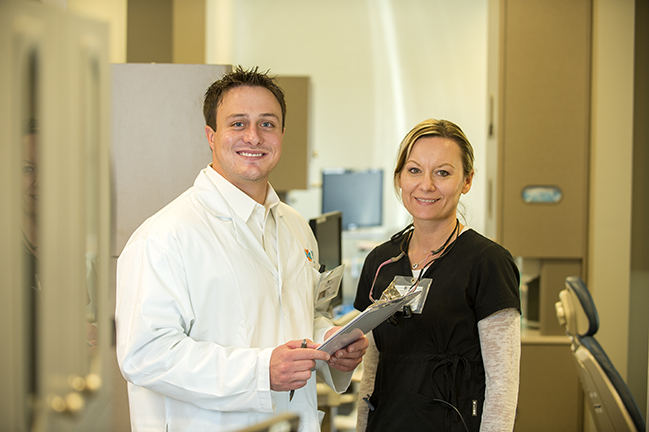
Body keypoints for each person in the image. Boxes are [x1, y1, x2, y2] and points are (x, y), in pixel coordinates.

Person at [115, 66, 368, 432]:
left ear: (281, 134)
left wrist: (330, 344)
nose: (254, 136)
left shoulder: (296, 227)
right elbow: (145, 356)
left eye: (267, 124)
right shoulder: (163, 237)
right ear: (211, 136)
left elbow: (301, 314)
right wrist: (260, 371)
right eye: (237, 123)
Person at [354, 119, 521, 432]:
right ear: (400, 178)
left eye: (443, 172)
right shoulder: (381, 262)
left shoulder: (488, 263)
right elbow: (371, 371)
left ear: (467, 180)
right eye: (414, 170)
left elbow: (503, 385)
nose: (426, 185)